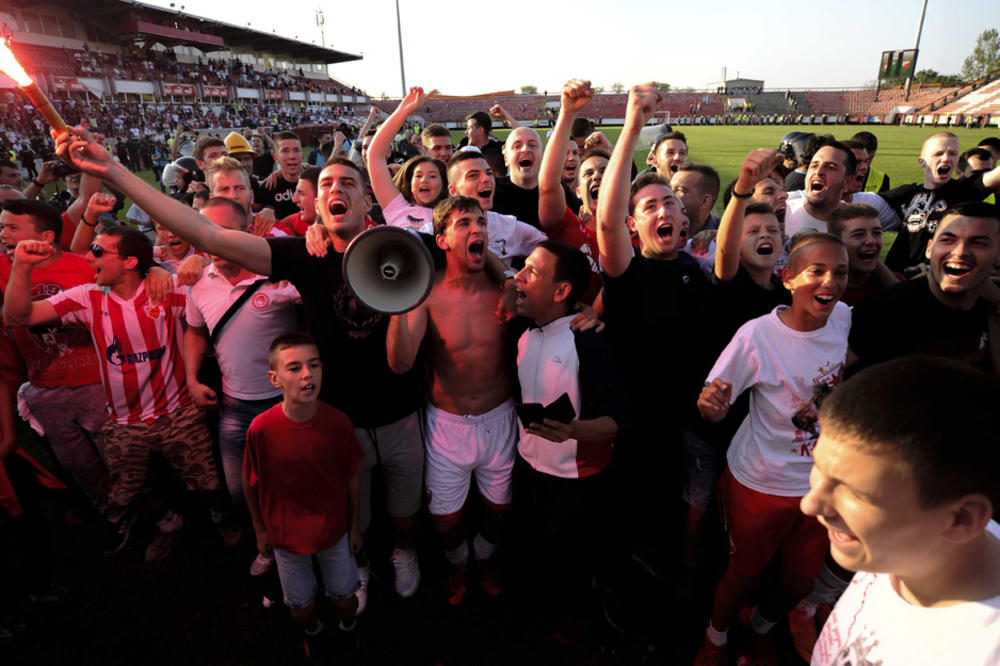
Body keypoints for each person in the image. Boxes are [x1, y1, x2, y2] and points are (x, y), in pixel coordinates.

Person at [54, 128, 425, 608]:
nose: (336, 189)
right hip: (339, 416)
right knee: (358, 507)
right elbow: (205, 234)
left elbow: (414, 340)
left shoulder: (406, 248)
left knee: (405, 505)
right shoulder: (300, 257)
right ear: (316, 205)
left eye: (348, 183)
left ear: (367, 199)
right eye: (327, 183)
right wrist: (114, 172)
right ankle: (360, 562)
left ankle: (404, 548)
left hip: (399, 411)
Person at [2, 226, 235, 562]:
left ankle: (222, 519)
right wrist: (22, 267)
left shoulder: (165, 290)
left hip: (178, 411)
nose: (87, 256)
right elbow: (17, 316)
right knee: (126, 493)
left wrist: (197, 259)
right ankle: (169, 522)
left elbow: (215, 290)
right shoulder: (86, 297)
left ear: (128, 262)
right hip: (124, 421)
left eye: (98, 251)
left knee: (209, 483)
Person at [695, 232, 851, 666]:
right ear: (788, 279)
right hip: (761, 481)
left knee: (800, 581)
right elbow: (711, 403)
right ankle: (716, 637)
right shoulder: (758, 335)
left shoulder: (844, 319)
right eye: (816, 271)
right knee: (742, 574)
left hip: (820, 483)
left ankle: (762, 627)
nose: (830, 283)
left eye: (840, 272)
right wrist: (712, 406)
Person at [801, 356, 1000, 666]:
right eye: (819, 467)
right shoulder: (906, 544)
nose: (810, 504)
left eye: (855, 492)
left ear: (962, 519)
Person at [596, 83, 708, 591]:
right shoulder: (626, 272)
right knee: (629, 516)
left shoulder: (696, 271)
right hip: (636, 425)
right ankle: (622, 585)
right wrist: (633, 125)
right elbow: (604, 219)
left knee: (672, 508)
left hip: (685, 422)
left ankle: (665, 573)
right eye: (649, 207)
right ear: (633, 225)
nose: (663, 211)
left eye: (670, 202)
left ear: (684, 217)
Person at [387, 195, 514, 605]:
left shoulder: (504, 287)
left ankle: (485, 558)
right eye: (464, 224)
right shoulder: (428, 295)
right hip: (448, 424)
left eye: (481, 222)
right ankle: (459, 563)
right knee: (445, 521)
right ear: (441, 240)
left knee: (498, 512)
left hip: (501, 419)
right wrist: (397, 302)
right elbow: (402, 363)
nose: (476, 229)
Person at [511, 240, 627, 635]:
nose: (519, 277)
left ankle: (573, 624)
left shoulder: (589, 341)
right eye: (522, 267)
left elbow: (617, 422)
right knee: (536, 553)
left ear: (561, 292)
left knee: (572, 565)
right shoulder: (524, 334)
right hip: (529, 469)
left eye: (532, 272)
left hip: (578, 481)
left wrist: (574, 430)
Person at [244, 332, 363, 658]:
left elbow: (352, 474)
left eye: (314, 365)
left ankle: (348, 630)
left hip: (334, 531)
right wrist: (259, 529)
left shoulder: (338, 423)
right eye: (294, 368)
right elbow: (249, 481)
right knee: (300, 607)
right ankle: (313, 632)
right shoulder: (261, 429)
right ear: (275, 378)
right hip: (285, 539)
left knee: (344, 597)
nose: (308, 374)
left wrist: (354, 526)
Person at [183, 197, 299, 509]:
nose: (213, 241)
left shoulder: (280, 275)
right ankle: (265, 542)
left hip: (286, 402)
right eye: (205, 232)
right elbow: (194, 331)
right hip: (234, 407)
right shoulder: (198, 284)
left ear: (247, 232)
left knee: (293, 485)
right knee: (240, 491)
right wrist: (192, 380)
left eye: (222, 232)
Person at [0, 199, 109, 515]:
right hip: (45, 388)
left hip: (96, 383)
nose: (3, 234)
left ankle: (158, 515)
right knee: (78, 465)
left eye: (12, 228)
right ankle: (117, 519)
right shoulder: (4, 268)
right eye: (1, 227)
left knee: (118, 458)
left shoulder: (85, 267)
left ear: (46, 238)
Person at [849, 202, 1000, 376]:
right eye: (947, 240)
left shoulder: (990, 305)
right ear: (929, 249)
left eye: (979, 243)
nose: (960, 252)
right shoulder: (881, 314)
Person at [882, 132, 1000, 274]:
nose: (946, 158)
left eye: (953, 153)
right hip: (894, 272)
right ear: (922, 161)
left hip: (934, 276)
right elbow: (864, 203)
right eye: (938, 153)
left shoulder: (964, 189)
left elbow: (992, 177)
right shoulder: (907, 192)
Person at [367, 88, 448, 229]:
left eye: (433, 176)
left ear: (443, 185)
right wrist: (403, 111)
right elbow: (374, 155)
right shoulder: (397, 208)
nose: (425, 180)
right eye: (418, 176)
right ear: (409, 184)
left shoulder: (452, 214)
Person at [826, 203, 899, 306]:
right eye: (858, 235)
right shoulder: (819, 290)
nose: (871, 241)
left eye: (877, 233)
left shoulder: (893, 281)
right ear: (835, 242)